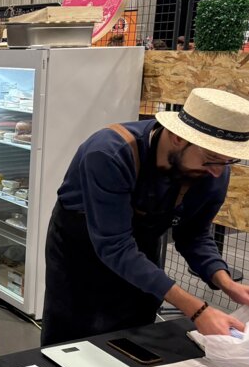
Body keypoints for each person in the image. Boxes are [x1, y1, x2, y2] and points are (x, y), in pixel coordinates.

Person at [41, 88, 249, 346]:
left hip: (139, 250)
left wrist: (225, 281)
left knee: (135, 338)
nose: (218, 172)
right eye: (211, 159)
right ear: (176, 137)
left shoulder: (212, 172)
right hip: (81, 251)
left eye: (228, 161)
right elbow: (114, 245)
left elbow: (193, 234)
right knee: (72, 341)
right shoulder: (110, 153)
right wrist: (196, 309)